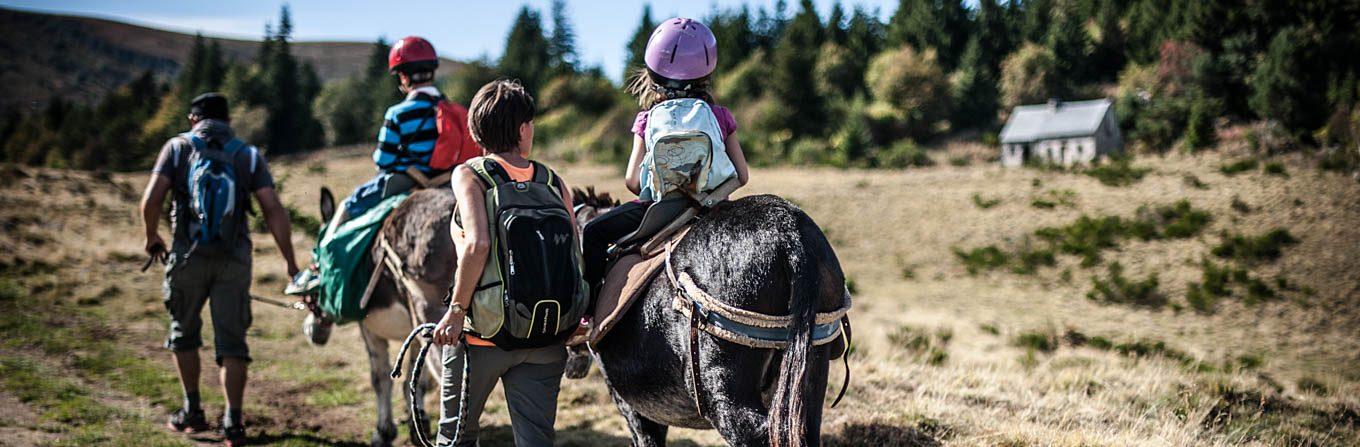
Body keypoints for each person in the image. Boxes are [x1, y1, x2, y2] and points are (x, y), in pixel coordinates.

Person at [140, 92, 299, 446]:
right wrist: (290, 263)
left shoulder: (177, 148)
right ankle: (234, 422)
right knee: (232, 344)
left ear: (192, 119)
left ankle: (192, 411)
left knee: (184, 333)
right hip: (234, 260)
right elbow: (273, 209)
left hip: (186, 256)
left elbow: (151, 199)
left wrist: (152, 238)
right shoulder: (247, 154)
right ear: (228, 121)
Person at [430, 79, 575, 446]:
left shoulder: (470, 175)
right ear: (524, 129)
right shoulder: (553, 181)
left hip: (482, 338)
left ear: (476, 130)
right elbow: (575, 250)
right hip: (546, 335)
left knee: (456, 439)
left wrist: (456, 311)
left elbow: (477, 244)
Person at [580, 17, 751, 298]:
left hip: (657, 211)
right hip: (712, 209)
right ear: (706, 74)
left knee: (594, 233)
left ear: (654, 74)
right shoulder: (720, 116)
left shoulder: (647, 119)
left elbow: (633, 181)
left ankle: (589, 311)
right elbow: (741, 176)